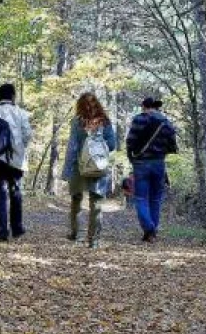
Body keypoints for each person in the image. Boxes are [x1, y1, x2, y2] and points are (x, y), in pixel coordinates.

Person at [61, 92, 117, 247]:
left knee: (76, 199)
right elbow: (112, 145)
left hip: (79, 166)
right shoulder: (105, 122)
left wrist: (67, 170)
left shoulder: (77, 122)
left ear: (79, 105)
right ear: (97, 104)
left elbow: (72, 147)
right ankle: (94, 240)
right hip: (98, 166)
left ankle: (76, 235)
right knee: (96, 202)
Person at [0, 83, 33, 242]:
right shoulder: (21, 113)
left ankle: (2, 231)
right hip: (16, 160)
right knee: (15, 192)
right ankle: (16, 229)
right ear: (13, 96)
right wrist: (20, 146)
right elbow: (28, 135)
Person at [125, 97, 177, 242]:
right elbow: (172, 142)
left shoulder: (138, 120)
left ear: (143, 106)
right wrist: (163, 151)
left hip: (141, 163)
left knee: (140, 198)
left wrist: (131, 157)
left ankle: (149, 228)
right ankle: (152, 231)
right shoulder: (165, 121)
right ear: (155, 107)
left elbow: (130, 141)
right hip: (159, 163)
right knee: (155, 199)